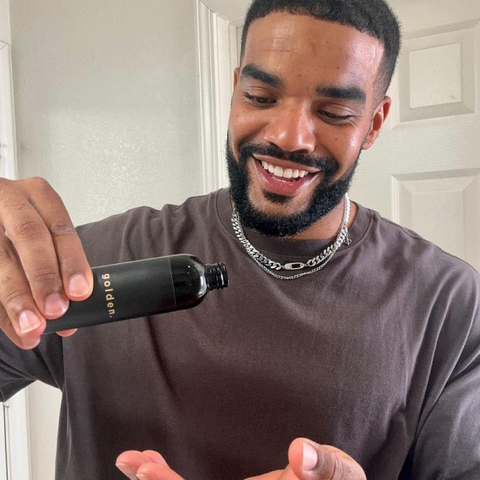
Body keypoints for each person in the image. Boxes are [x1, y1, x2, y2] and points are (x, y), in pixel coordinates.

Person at [0, 0, 479, 479]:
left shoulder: (449, 305)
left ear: (374, 123)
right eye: (261, 96)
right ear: (234, 91)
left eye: (333, 112)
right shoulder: (96, 266)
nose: (290, 137)